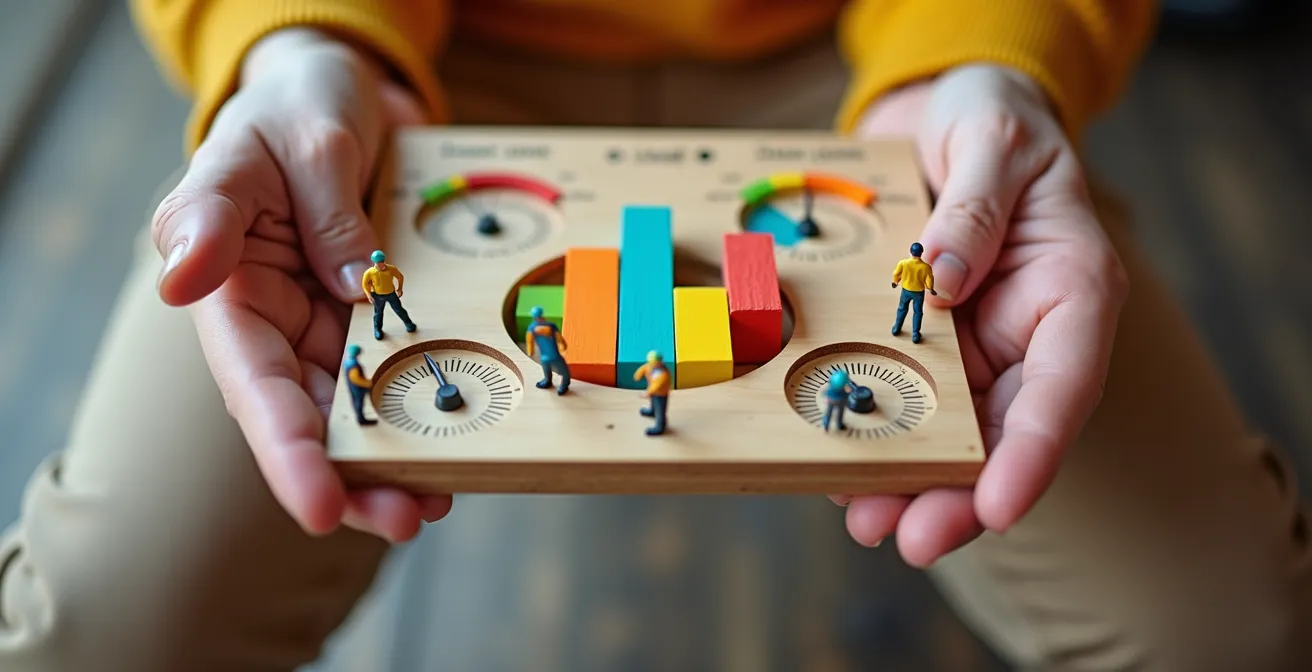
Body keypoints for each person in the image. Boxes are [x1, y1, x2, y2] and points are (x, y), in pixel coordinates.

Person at [2, 1, 1309, 670]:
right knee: (100, 620)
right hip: (404, 80)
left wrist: (989, 60)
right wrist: (292, 45)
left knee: (1227, 628)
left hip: (876, 82)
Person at [361, 249, 416, 340]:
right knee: (378, 314)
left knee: (399, 310)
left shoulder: (391, 269)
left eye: (382, 262)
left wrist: (400, 289)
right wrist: (369, 295)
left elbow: (400, 277)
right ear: (374, 262)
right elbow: (364, 284)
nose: (381, 264)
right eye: (378, 262)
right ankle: (377, 330)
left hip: (391, 294)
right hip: (377, 296)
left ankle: (409, 324)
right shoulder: (370, 272)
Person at [890, 241, 938, 344]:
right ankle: (915, 334)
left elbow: (896, 273)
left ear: (911, 251)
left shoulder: (903, 263)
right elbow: (929, 279)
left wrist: (895, 282)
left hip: (906, 291)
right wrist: (931, 289)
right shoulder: (926, 267)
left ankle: (897, 328)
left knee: (902, 309)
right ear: (921, 252)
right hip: (918, 293)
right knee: (918, 312)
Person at [525, 306, 570, 395]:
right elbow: (559, 338)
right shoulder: (551, 326)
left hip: (544, 356)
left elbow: (529, 341)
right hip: (555, 355)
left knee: (546, 369)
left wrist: (530, 352)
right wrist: (563, 346)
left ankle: (547, 381)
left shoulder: (532, 328)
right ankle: (563, 385)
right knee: (565, 372)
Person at [633, 350, 671, 436]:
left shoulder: (663, 374)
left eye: (654, 363)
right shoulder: (650, 366)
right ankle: (652, 411)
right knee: (653, 403)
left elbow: (656, 386)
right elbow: (644, 368)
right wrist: (638, 374)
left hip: (661, 394)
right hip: (653, 393)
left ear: (660, 362)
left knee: (660, 409)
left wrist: (647, 393)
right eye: (651, 363)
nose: (651, 365)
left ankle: (660, 427)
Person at [342, 344, 377, 425]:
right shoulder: (354, 365)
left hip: (352, 386)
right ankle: (361, 419)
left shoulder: (348, 363)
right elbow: (356, 379)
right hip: (357, 388)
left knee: (356, 401)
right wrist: (368, 383)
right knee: (359, 402)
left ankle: (360, 417)